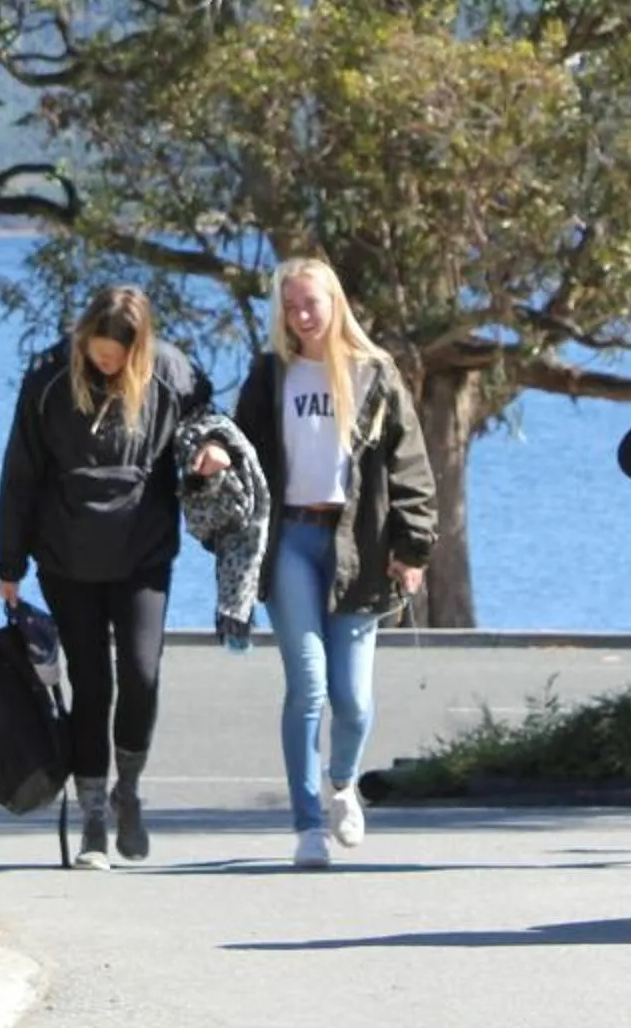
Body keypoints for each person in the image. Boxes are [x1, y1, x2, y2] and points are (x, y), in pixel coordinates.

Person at [212, 256, 437, 869]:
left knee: (353, 700)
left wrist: (412, 548)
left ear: (335, 303)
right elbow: (241, 444)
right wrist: (213, 454)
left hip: (358, 545)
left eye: (310, 303)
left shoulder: (374, 373)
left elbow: (410, 466)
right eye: (290, 307)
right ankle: (308, 826)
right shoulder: (271, 374)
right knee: (308, 686)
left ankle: (342, 783)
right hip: (291, 540)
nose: (301, 316)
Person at [0, 284, 211, 868]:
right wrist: (8, 562)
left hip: (144, 552)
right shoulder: (48, 378)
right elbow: (20, 471)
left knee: (141, 672)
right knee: (91, 684)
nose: (106, 362)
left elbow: (210, 424)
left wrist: (214, 451)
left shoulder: (172, 375)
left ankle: (127, 789)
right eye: (98, 351)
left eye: (118, 355)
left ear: (139, 349)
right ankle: (93, 816)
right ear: (84, 336)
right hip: (66, 555)